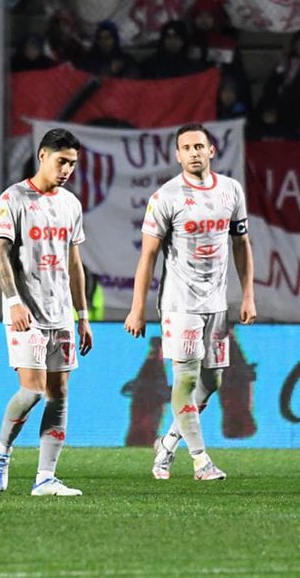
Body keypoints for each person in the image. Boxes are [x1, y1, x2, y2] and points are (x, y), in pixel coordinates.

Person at [124, 123, 256, 481]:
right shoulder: (165, 197)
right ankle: (201, 460)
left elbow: (241, 245)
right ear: (177, 155)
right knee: (184, 379)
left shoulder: (231, 190)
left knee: (212, 381)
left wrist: (247, 295)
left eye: (200, 146)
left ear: (211, 150)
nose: (194, 152)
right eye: (187, 147)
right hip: (179, 305)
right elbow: (148, 256)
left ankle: (166, 444)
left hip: (216, 304)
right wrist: (137, 308)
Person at [0, 128, 93, 496]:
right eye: (62, 161)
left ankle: (45, 477)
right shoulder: (13, 198)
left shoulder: (71, 205)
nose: (67, 170)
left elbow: (74, 262)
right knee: (32, 392)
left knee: (59, 393)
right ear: (43, 155)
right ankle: (1, 451)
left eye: (73, 164)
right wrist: (14, 301)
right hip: (26, 311)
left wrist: (83, 315)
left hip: (61, 312)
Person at [140, 20, 207, 79]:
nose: (172, 41)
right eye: (169, 37)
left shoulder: (194, 66)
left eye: (177, 38)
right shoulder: (150, 65)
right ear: (163, 40)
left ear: (184, 40)